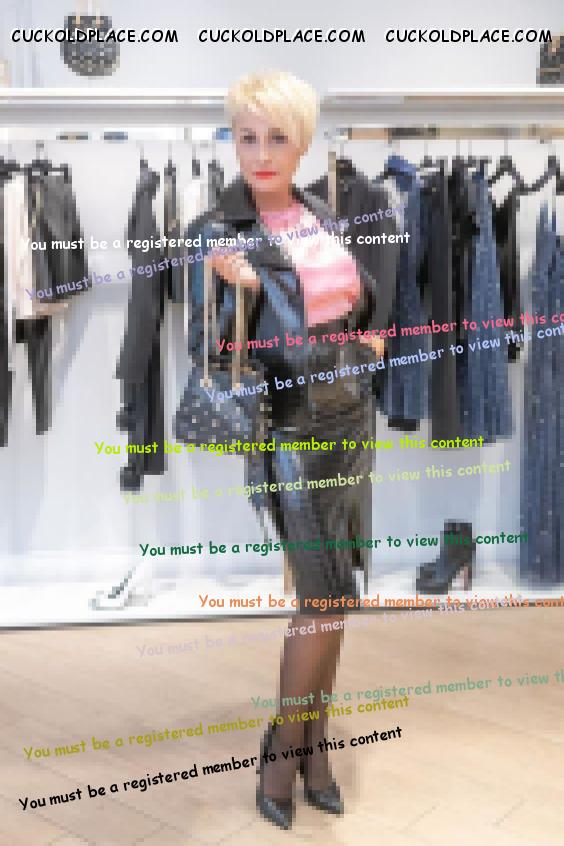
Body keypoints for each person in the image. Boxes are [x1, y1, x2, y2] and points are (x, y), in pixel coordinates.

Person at [186, 70, 386, 830]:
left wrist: (365, 340)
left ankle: (313, 746)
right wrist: (236, 292)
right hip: (292, 428)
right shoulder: (219, 232)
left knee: (336, 597)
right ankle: (285, 750)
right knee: (321, 597)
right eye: (247, 137)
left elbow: (357, 300)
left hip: (351, 423)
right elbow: (218, 348)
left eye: (276, 137)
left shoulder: (320, 213)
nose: (261, 153)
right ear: (233, 141)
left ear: (301, 142)